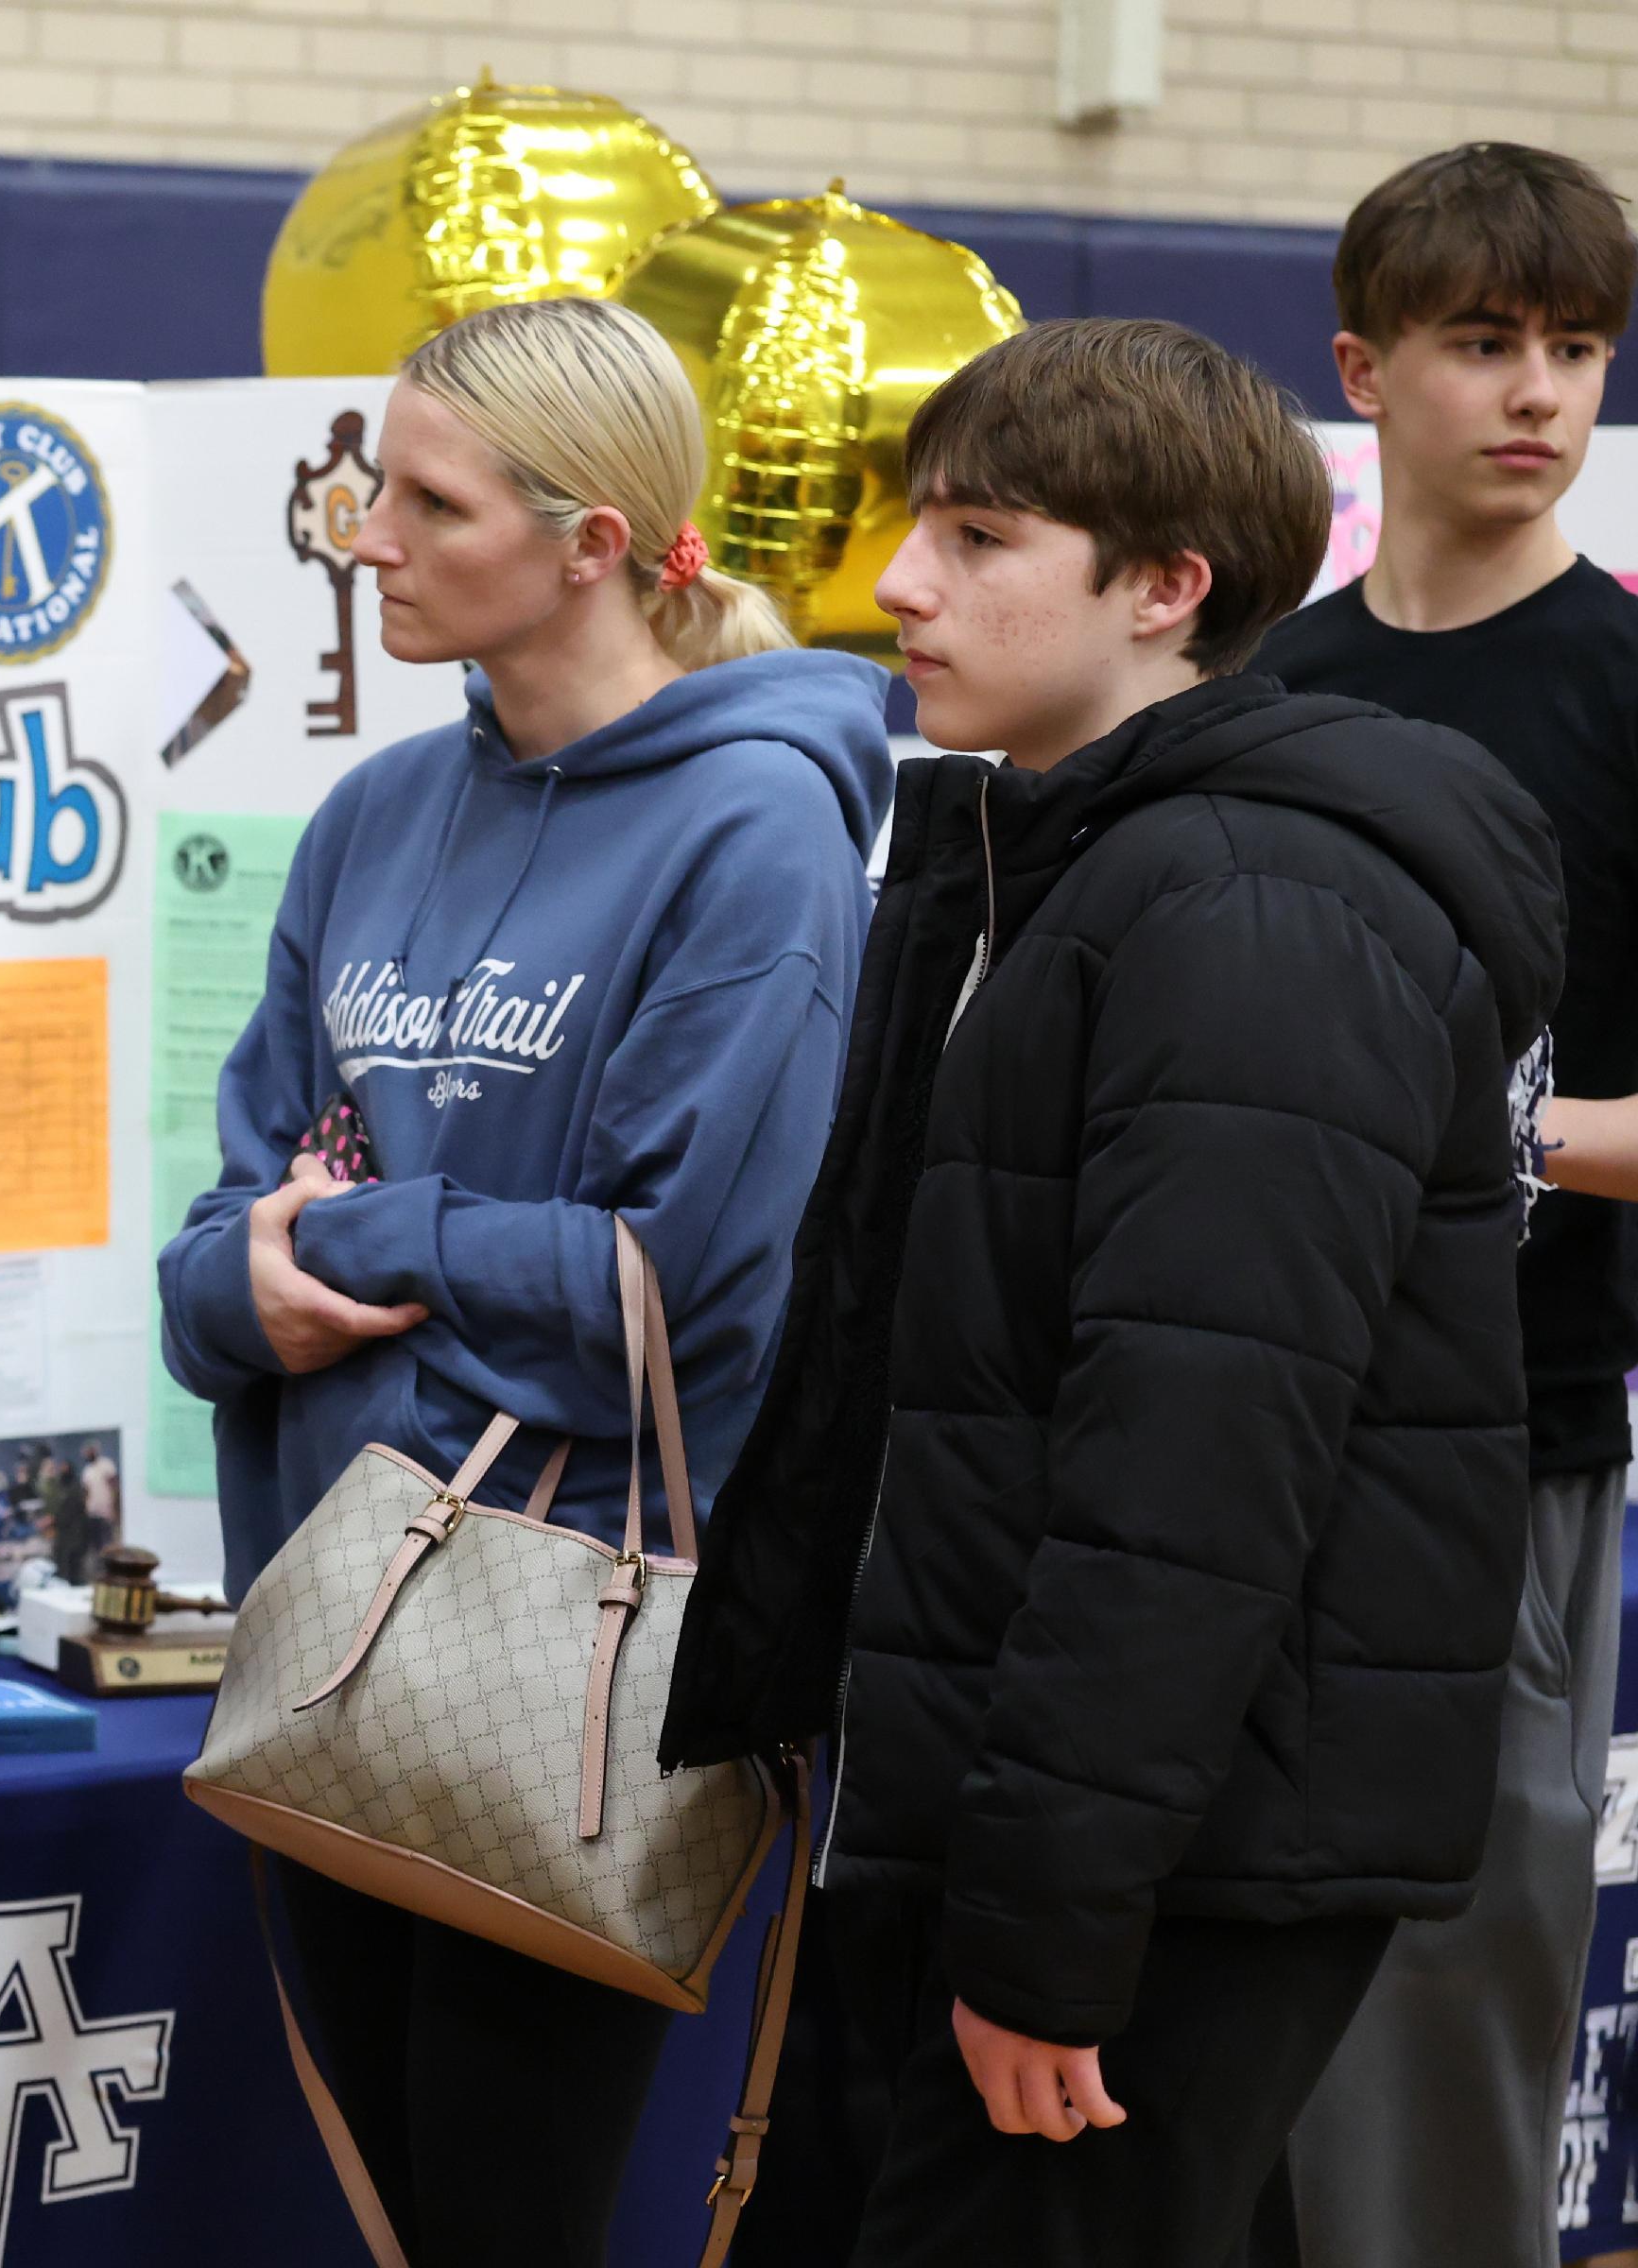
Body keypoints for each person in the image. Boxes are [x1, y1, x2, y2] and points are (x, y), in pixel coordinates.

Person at [662, 318, 1560, 2268]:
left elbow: (1195, 1469)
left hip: (1167, 1854)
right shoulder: (1053, 852)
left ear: (1168, 590)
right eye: (918, 525)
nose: (900, 582)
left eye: (982, 538)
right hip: (1049, 1808)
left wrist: (1056, 1922)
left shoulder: (1253, 905)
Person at [155, 293, 889, 2267]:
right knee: (392, 2206)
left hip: (566, 1661)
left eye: (426, 498)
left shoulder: (759, 828)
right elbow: (228, 1221)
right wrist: (253, 1288)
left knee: (503, 2215)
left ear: (594, 544)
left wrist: (360, 1239)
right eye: (367, 487)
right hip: (324, 1627)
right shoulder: (376, 810)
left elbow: (681, 1287)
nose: (366, 535)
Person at [1232, 144, 1638, 2268]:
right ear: (1364, 368)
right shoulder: (1268, 694)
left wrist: (1491, 1146)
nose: (1540, 390)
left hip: (1512, 1437)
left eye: (1577, 346)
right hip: (1240, 1440)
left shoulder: (1623, 685)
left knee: (1454, 2006)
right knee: (1220, 2034)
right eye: (1489, 342)